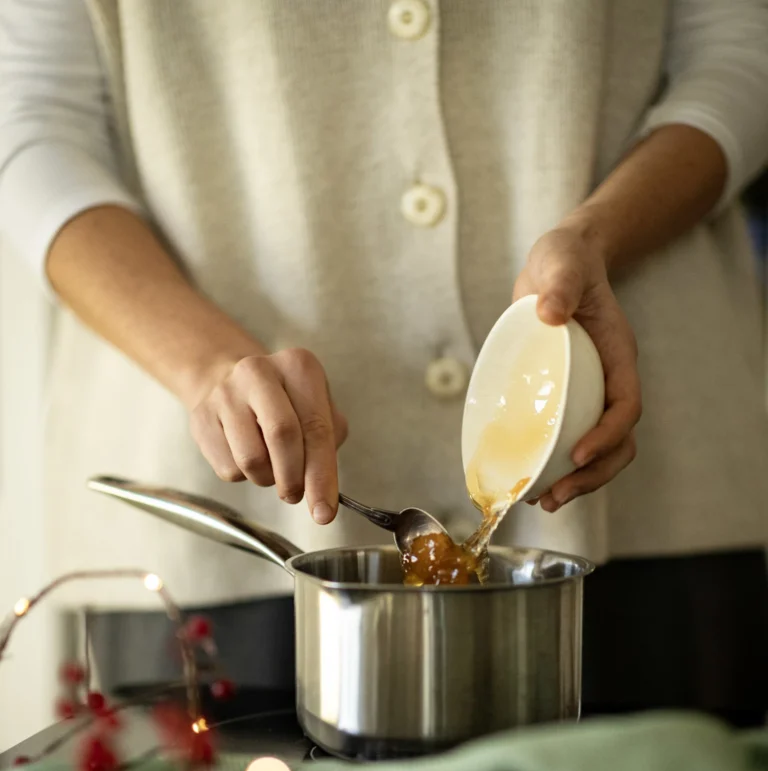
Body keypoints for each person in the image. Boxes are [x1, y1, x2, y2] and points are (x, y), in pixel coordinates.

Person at [1, 0, 767, 723]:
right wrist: (205, 364)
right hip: (218, 536)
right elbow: (30, 120)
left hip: (659, 496)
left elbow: (741, 51)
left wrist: (600, 235)